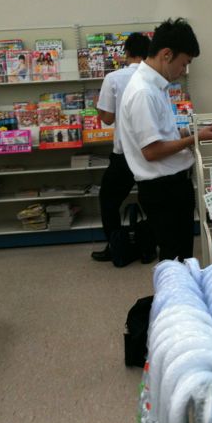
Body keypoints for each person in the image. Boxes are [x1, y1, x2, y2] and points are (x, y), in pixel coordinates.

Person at [119, 18, 212, 261]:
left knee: (181, 255)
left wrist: (189, 133)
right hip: (163, 190)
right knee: (175, 259)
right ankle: (175, 299)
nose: (183, 71)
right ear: (166, 54)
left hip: (172, 186)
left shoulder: (156, 87)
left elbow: (162, 135)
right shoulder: (144, 92)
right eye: (184, 63)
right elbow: (152, 151)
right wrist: (194, 139)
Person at [91, 32, 152, 262]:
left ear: (126, 52)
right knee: (151, 200)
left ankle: (115, 246)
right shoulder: (154, 77)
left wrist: (100, 106)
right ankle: (149, 246)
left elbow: (106, 118)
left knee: (109, 200)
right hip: (152, 151)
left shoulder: (114, 78)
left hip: (124, 154)